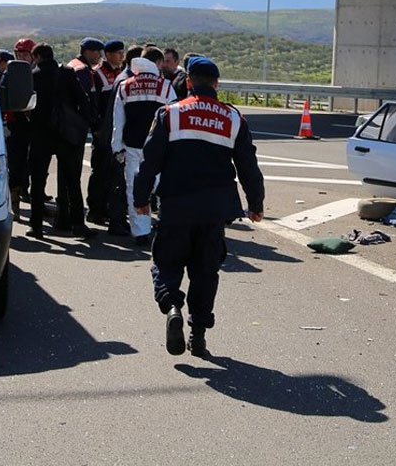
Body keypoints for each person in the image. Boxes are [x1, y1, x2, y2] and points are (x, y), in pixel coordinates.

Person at [134, 56, 264, 358]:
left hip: (176, 204)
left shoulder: (170, 114)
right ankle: (198, 335)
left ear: (189, 82)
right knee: (205, 271)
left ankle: (172, 307)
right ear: (217, 84)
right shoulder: (233, 118)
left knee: (166, 263)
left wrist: (141, 199)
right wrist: (255, 203)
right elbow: (248, 165)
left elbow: (149, 161)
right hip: (215, 209)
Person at [111, 48, 176, 245]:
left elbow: (118, 121)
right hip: (159, 149)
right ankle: (168, 227)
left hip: (132, 146)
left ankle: (140, 232)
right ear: (156, 63)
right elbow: (174, 118)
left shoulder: (125, 86)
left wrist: (116, 147)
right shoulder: (166, 86)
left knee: (134, 189)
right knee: (163, 188)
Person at [56, 38, 104, 238]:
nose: (100, 56)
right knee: (72, 177)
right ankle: (74, 222)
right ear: (88, 51)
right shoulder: (82, 70)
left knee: (64, 175)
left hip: (65, 127)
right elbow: (85, 101)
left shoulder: (72, 65)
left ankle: (63, 218)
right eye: (97, 52)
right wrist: (94, 124)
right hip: (75, 128)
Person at [88, 39, 125, 230]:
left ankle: (109, 208)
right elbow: (94, 103)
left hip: (115, 129)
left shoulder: (120, 72)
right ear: (108, 54)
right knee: (100, 171)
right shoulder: (98, 74)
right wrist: (96, 127)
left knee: (113, 172)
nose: (121, 56)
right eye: (118, 52)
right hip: (102, 130)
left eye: (122, 52)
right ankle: (95, 210)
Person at [27, 43, 59, 236]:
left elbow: (26, 106)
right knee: (68, 179)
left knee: (37, 181)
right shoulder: (65, 74)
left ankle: (36, 224)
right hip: (63, 132)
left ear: (37, 56)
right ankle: (68, 220)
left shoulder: (34, 76)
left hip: (39, 132)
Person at [3, 38, 36, 219]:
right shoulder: (11, 73)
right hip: (16, 124)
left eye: (25, 53)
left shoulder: (36, 73)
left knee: (32, 165)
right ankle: (14, 204)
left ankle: (29, 192)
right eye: (19, 53)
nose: (22, 57)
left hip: (34, 125)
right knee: (15, 165)